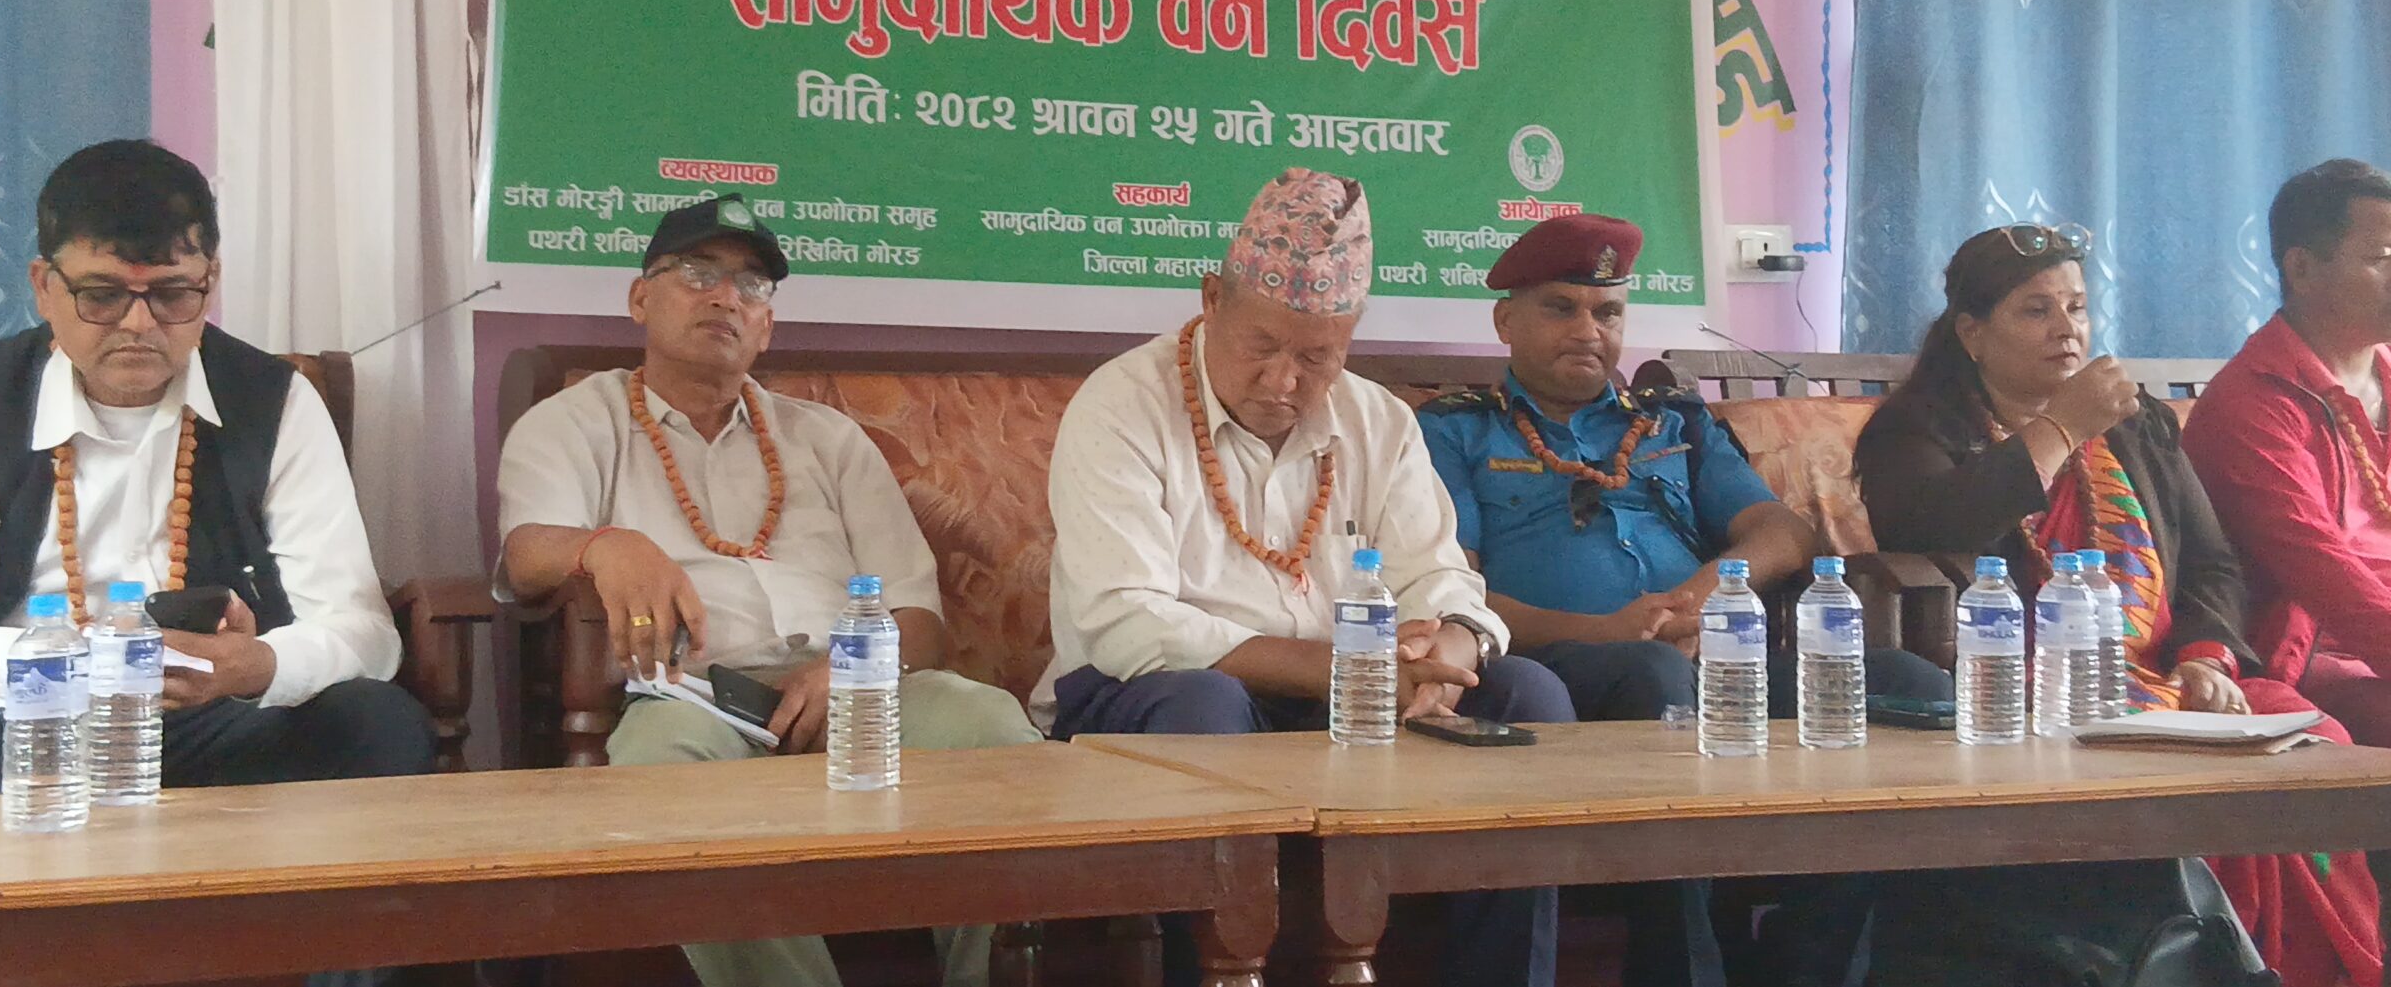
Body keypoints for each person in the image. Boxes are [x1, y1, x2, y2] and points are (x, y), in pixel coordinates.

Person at [1038, 166, 1571, 987]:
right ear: (1211, 299)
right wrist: (1352, 670)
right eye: (1262, 347)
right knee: (1203, 707)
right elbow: (1125, 622)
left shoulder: (1377, 419)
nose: (1285, 381)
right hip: (1149, 695)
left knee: (1525, 693)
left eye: (1318, 356)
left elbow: (1438, 572)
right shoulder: (1122, 405)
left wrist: (1449, 649)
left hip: (1357, 695)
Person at [496, 192, 1039, 987]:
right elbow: (525, 556)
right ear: (640, 297)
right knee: (658, 765)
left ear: (767, 325)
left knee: (992, 727)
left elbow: (918, 613)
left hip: (854, 693)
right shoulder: (576, 421)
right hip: (694, 696)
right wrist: (606, 544)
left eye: (751, 285)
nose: (726, 296)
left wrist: (852, 671)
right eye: (698, 271)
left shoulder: (828, 438)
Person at [1421, 212, 1949, 987]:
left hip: (1711, 662)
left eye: (1607, 312)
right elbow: (1454, 589)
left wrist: (1700, 597)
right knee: (1653, 676)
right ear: (1506, 321)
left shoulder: (1672, 420)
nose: (1589, 330)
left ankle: (1806, 965)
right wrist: (1608, 631)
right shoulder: (1455, 430)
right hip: (1557, 673)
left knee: (1909, 685)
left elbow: (1782, 531)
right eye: (1561, 308)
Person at [1855, 222, 2380, 987]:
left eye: (2076, 306)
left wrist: (2207, 656)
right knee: (2195, 784)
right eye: (2036, 310)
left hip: (2168, 679)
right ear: (1972, 333)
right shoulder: (1915, 431)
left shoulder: (2137, 425)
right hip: (2026, 693)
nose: (2066, 328)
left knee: (2315, 743)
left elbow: (2211, 563)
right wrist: (2062, 426)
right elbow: (1931, 526)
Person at [0, 139, 434, 798]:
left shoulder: (274, 399)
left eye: (171, 294)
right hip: (28, 721)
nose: (138, 323)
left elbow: (364, 631)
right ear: (44, 288)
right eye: (102, 295)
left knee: (379, 723)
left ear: (210, 283)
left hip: (212, 716)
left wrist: (258, 664)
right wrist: (82, 662)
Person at [2186, 160, 2391, 749]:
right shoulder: (2251, 402)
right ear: (2301, 268)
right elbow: (2323, 574)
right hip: (2314, 655)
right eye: (2381, 258)